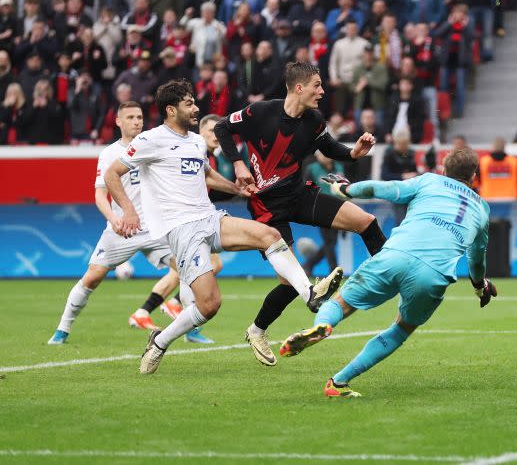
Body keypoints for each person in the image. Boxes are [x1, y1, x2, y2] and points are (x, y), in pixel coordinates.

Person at [105, 80, 344, 374]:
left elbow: (205, 174)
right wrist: (128, 211)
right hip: (182, 230)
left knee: (269, 235)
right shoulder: (149, 140)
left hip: (209, 218)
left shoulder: (195, 141)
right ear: (170, 110)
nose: (196, 108)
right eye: (189, 104)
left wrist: (235, 187)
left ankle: (309, 293)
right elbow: (112, 174)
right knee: (209, 306)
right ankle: (160, 341)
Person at [276, 147, 497, 398]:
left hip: (395, 255)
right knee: (402, 328)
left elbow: (384, 189)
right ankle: (338, 382)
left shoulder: (429, 181)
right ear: (474, 176)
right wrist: (480, 286)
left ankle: (322, 325)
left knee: (343, 303)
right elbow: (476, 259)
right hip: (433, 275)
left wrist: (345, 189)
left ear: (444, 169)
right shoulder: (481, 209)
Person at [212, 62, 386, 367]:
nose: (322, 91)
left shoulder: (314, 121)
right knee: (290, 280)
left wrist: (353, 153)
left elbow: (330, 148)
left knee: (365, 221)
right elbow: (221, 128)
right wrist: (238, 164)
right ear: (299, 87)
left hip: (298, 195)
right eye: (317, 85)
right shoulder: (259, 112)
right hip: (267, 206)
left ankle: (392, 274)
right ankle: (257, 330)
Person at [47, 101, 200, 345]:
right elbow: (100, 195)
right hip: (122, 229)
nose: (136, 121)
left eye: (139, 117)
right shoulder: (109, 153)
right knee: (92, 278)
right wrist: (114, 219)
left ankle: (190, 329)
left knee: (189, 270)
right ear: (118, 121)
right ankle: (62, 330)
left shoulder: (153, 143)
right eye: (129, 117)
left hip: (156, 228)